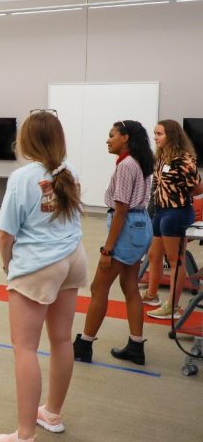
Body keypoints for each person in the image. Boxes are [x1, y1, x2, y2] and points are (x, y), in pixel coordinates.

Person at [0, 110, 86, 442]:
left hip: (39, 266)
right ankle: (52, 413)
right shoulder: (69, 171)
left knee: (25, 348)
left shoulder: (22, 177)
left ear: (26, 140)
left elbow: (5, 234)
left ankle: (26, 438)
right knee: (61, 339)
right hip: (73, 257)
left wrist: (8, 266)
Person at [74, 121, 153, 365]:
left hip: (127, 228)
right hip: (141, 225)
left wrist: (107, 249)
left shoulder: (126, 165)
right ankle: (136, 346)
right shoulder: (141, 161)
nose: (108, 140)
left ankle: (84, 345)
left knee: (99, 287)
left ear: (125, 138)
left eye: (112, 136)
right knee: (130, 285)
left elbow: (120, 209)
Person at [141, 119, 200, 319]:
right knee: (153, 256)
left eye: (160, 134)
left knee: (175, 261)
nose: (155, 137)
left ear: (172, 136)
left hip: (177, 213)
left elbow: (198, 187)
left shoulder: (183, 159)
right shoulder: (161, 157)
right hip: (160, 211)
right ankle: (151, 295)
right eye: (155, 133)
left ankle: (172, 307)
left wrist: (179, 192)